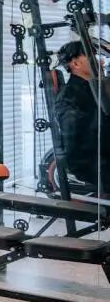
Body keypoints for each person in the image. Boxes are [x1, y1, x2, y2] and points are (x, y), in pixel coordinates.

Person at [54, 39, 110, 196]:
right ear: (76, 64)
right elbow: (79, 143)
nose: (100, 62)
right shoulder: (70, 97)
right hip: (92, 163)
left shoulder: (94, 88)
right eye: (92, 56)